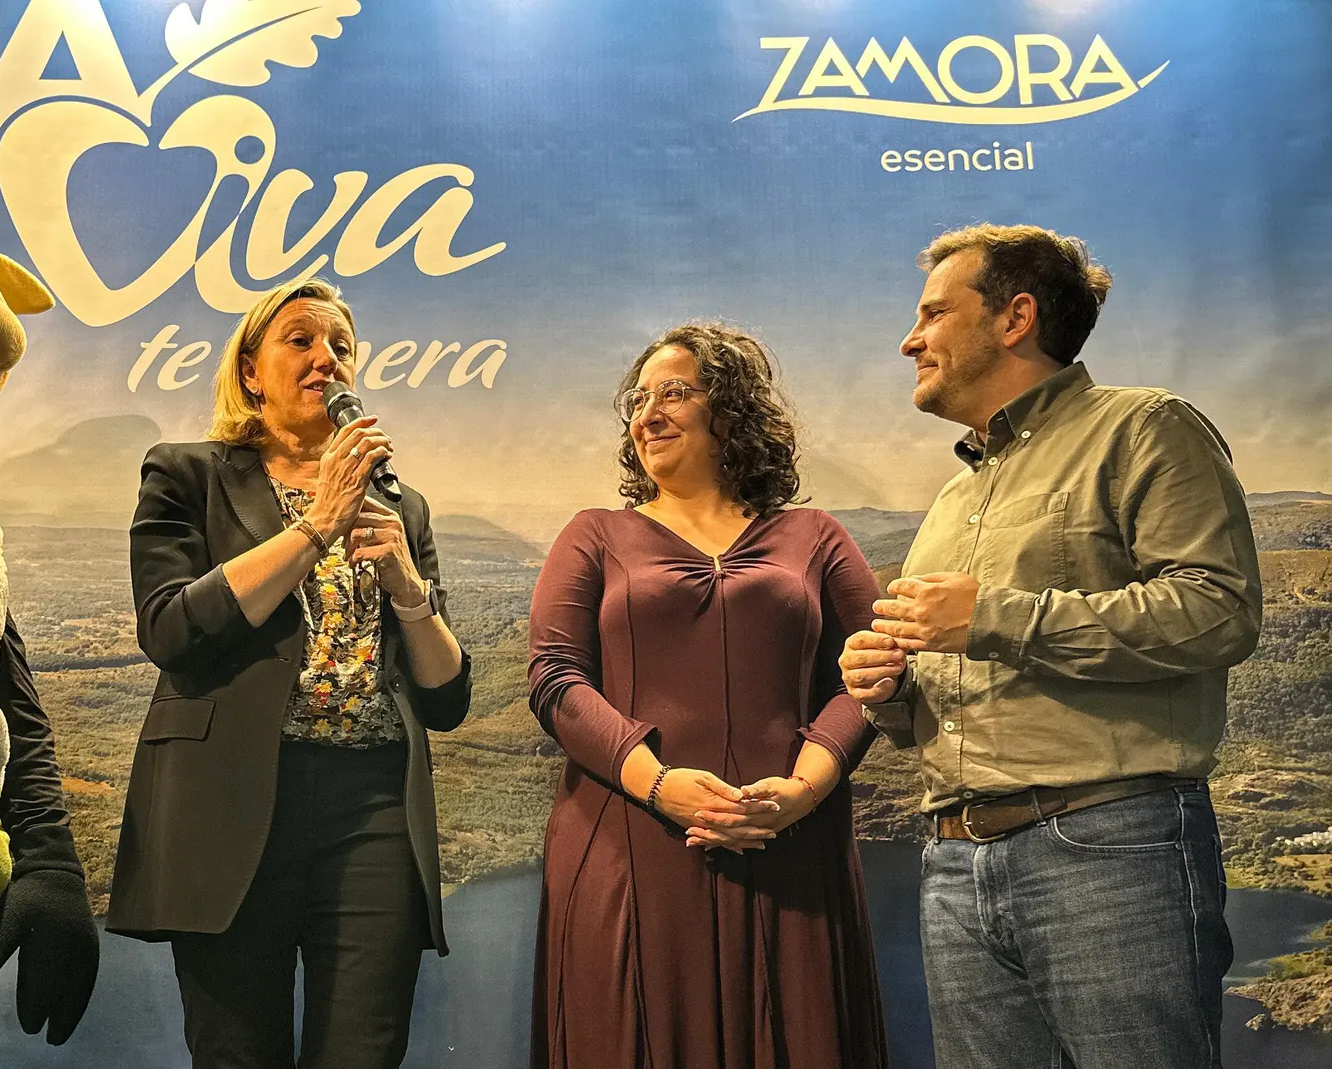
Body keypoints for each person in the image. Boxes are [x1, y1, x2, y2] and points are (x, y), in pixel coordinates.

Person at [840, 224, 1261, 1069]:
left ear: (1015, 317)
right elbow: (931, 707)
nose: (909, 340)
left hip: (1109, 851)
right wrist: (889, 689)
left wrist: (992, 618)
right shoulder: (952, 500)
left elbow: (1217, 611)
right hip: (954, 863)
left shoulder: (1144, 428)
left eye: (933, 313)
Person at [106, 277, 472, 1069]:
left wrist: (411, 593)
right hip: (231, 799)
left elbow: (447, 697)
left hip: (371, 805)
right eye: (300, 340)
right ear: (249, 371)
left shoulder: (401, 504)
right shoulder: (186, 473)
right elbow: (171, 628)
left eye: (341, 346)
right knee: (238, 1052)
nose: (325, 359)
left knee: (364, 1050)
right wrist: (317, 525)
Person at [528, 321, 890, 1069]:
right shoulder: (593, 535)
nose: (647, 414)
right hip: (630, 846)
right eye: (638, 400)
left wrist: (802, 790)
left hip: (790, 844)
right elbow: (556, 678)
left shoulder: (816, 536)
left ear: (731, 408)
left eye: (672, 393)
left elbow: (872, 673)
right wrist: (660, 786)